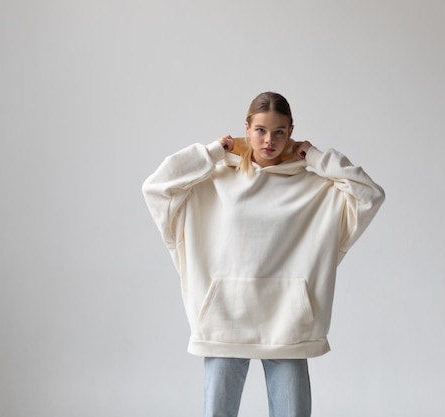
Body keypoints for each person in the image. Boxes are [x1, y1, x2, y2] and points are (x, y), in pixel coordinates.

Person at [142, 92, 385, 417]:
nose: (269, 140)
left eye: (279, 132)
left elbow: (370, 194)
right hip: (225, 318)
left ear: (291, 132)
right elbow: (157, 187)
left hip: (287, 320)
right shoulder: (214, 181)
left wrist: (314, 156)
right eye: (260, 130)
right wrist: (213, 151)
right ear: (246, 128)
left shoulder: (313, 187)